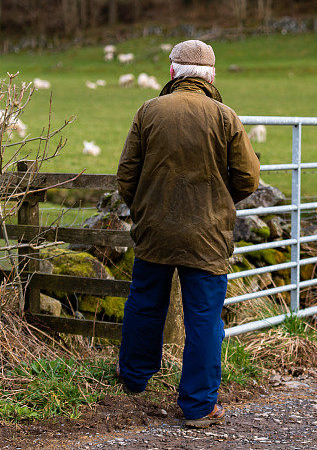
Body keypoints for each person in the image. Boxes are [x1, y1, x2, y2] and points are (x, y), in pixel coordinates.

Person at [115, 39, 260, 428]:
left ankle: (133, 379)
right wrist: (218, 201)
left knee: (145, 303)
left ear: (173, 71)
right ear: (211, 75)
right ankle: (198, 405)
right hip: (208, 236)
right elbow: (247, 178)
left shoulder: (149, 111)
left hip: (155, 230)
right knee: (204, 317)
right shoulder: (225, 116)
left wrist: (145, 207)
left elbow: (126, 175)